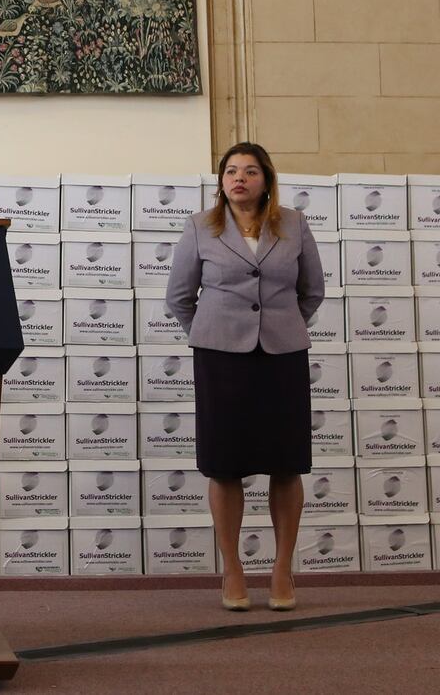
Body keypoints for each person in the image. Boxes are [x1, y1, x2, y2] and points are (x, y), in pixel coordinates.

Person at [163, 142, 325, 613]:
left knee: (286, 462)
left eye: (250, 171)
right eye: (231, 171)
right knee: (225, 463)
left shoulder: (293, 224)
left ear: (266, 179)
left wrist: (280, 324)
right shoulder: (200, 226)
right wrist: (213, 329)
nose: (240, 179)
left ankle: (281, 569)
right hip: (220, 357)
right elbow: (179, 296)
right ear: (221, 181)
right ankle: (232, 568)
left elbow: (311, 291)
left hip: (281, 354)